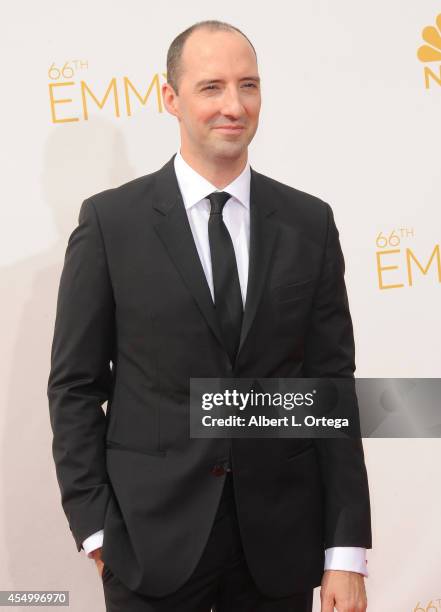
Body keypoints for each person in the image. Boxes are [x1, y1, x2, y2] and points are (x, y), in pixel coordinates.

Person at [47, 19, 372, 612]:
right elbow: (74, 387)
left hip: (279, 548)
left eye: (248, 86)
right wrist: (97, 529)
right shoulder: (110, 225)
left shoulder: (309, 224)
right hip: (149, 548)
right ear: (170, 98)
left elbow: (331, 392)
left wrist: (345, 549)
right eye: (212, 87)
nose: (234, 105)